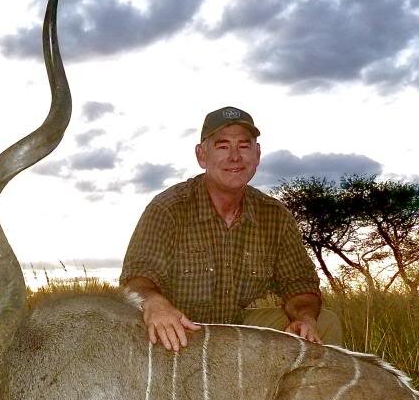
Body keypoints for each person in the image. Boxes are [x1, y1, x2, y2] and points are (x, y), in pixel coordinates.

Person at [120, 106, 342, 351]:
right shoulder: (168, 209)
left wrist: (304, 317)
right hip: (183, 330)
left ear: (257, 154)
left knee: (325, 323)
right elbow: (137, 278)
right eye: (223, 146)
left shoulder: (274, 215)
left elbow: (300, 285)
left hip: (240, 331)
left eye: (244, 146)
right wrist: (154, 302)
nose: (235, 157)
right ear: (202, 155)